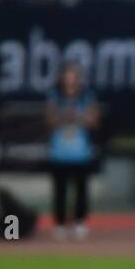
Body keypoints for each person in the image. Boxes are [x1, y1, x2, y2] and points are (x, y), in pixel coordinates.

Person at [47, 62, 100, 239]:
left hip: (80, 153)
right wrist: (64, 116)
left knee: (81, 191)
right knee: (60, 191)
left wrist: (79, 116)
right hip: (59, 152)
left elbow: (94, 120)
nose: (70, 80)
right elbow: (49, 120)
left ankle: (80, 222)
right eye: (67, 76)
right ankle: (60, 223)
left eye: (73, 76)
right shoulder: (55, 96)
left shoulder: (86, 96)